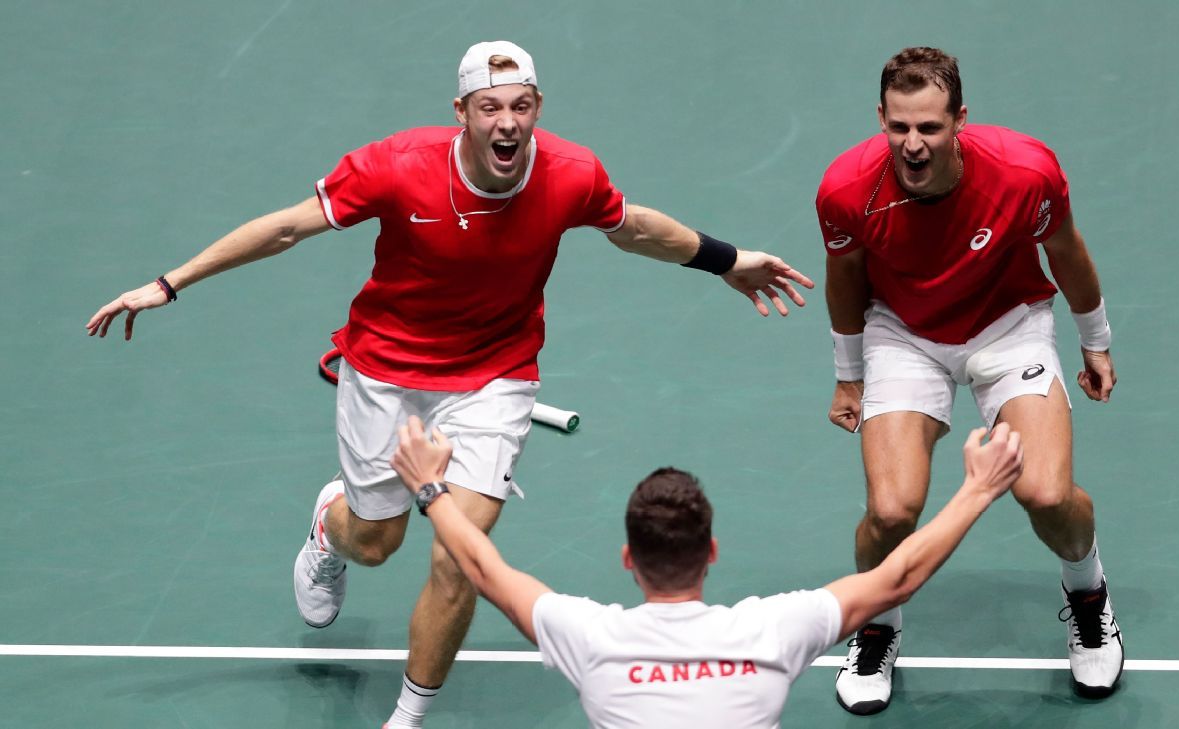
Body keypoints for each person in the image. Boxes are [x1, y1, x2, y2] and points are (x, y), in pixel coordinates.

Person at [84, 40, 814, 729]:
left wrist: (726, 259)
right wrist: (168, 283)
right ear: (460, 112)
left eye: (521, 106)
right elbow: (285, 229)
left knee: (458, 552)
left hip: (496, 374)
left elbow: (637, 228)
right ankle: (329, 525)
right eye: (490, 107)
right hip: (386, 368)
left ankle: (409, 714)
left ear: (537, 107)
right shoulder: (396, 166)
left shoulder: (571, 172)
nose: (508, 123)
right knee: (375, 542)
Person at [817, 46, 1124, 714]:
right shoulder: (846, 190)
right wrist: (849, 375)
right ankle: (877, 620)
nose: (914, 144)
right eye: (899, 127)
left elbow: (1066, 252)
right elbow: (844, 279)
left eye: (929, 127)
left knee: (1046, 494)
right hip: (903, 333)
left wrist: (1095, 341)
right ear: (880, 117)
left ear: (960, 119)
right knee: (892, 509)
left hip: (1007, 325)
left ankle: (1089, 592)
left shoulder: (1024, 172)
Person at [390, 415, 1024, 728]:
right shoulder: (773, 631)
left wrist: (429, 486)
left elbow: (480, 563)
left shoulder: (589, 638)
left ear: (628, 560)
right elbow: (897, 579)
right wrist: (977, 489)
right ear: (712, 551)